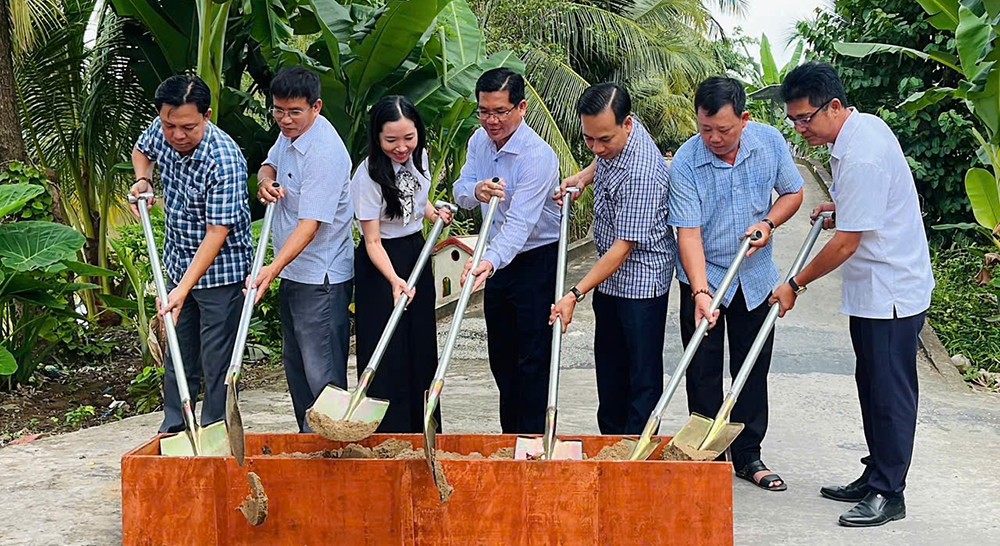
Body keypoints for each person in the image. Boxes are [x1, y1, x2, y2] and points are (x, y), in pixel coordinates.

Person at [772, 62, 934, 527]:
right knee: (872, 385)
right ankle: (876, 473)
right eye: (794, 121)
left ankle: (890, 493)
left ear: (835, 106)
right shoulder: (861, 130)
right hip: (875, 290)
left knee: (890, 393)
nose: (801, 129)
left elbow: (845, 243)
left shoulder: (860, 152)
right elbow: (871, 199)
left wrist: (795, 283)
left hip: (891, 292)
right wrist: (840, 204)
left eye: (806, 119)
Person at [667, 77, 804, 491]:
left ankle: (748, 456)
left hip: (755, 277)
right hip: (705, 276)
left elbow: (793, 194)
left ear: (745, 119)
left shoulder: (770, 143)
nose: (714, 138)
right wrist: (700, 292)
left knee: (751, 367)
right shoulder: (688, 162)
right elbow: (687, 234)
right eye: (705, 128)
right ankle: (707, 453)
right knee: (703, 369)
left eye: (724, 130)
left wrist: (768, 222)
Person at [551, 83, 677, 435]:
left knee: (640, 374)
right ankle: (610, 441)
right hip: (610, 277)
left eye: (604, 139)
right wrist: (583, 177)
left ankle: (636, 449)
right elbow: (600, 157)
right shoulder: (613, 139)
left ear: (628, 124)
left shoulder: (642, 172)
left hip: (640, 280)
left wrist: (574, 294)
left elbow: (623, 249)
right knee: (610, 367)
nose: (596, 147)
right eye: (589, 139)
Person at [129, 74, 252, 434]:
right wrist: (144, 180)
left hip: (220, 273)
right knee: (177, 357)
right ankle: (174, 429)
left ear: (207, 116)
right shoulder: (164, 126)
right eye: (170, 126)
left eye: (188, 127)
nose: (178, 135)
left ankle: (215, 431)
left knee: (216, 361)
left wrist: (182, 289)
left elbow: (217, 234)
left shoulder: (224, 159)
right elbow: (142, 150)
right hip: (177, 259)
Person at [453, 68, 562, 434]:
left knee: (533, 358)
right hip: (496, 259)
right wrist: (477, 191)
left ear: (522, 108)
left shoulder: (537, 156)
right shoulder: (478, 142)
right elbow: (461, 188)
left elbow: (521, 223)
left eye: (500, 111)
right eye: (484, 111)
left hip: (535, 259)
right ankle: (510, 437)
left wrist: (487, 261)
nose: (492, 121)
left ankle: (532, 441)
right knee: (501, 356)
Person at [253, 67, 354, 433]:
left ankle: (334, 451)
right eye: (278, 110)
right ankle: (308, 446)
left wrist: (270, 269)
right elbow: (270, 164)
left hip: (320, 278)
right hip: (295, 273)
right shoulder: (288, 135)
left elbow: (310, 226)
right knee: (296, 368)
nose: (285, 119)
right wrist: (266, 182)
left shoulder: (324, 152)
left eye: (294, 112)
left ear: (317, 108)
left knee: (322, 376)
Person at [351, 95, 453, 433]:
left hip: (415, 253)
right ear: (377, 138)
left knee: (421, 344)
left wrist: (433, 212)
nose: (401, 147)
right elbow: (372, 241)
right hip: (381, 266)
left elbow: (415, 201)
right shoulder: (367, 175)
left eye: (409, 138)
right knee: (388, 349)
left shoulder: (419, 156)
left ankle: (422, 427)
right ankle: (387, 431)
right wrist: (395, 280)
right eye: (391, 140)